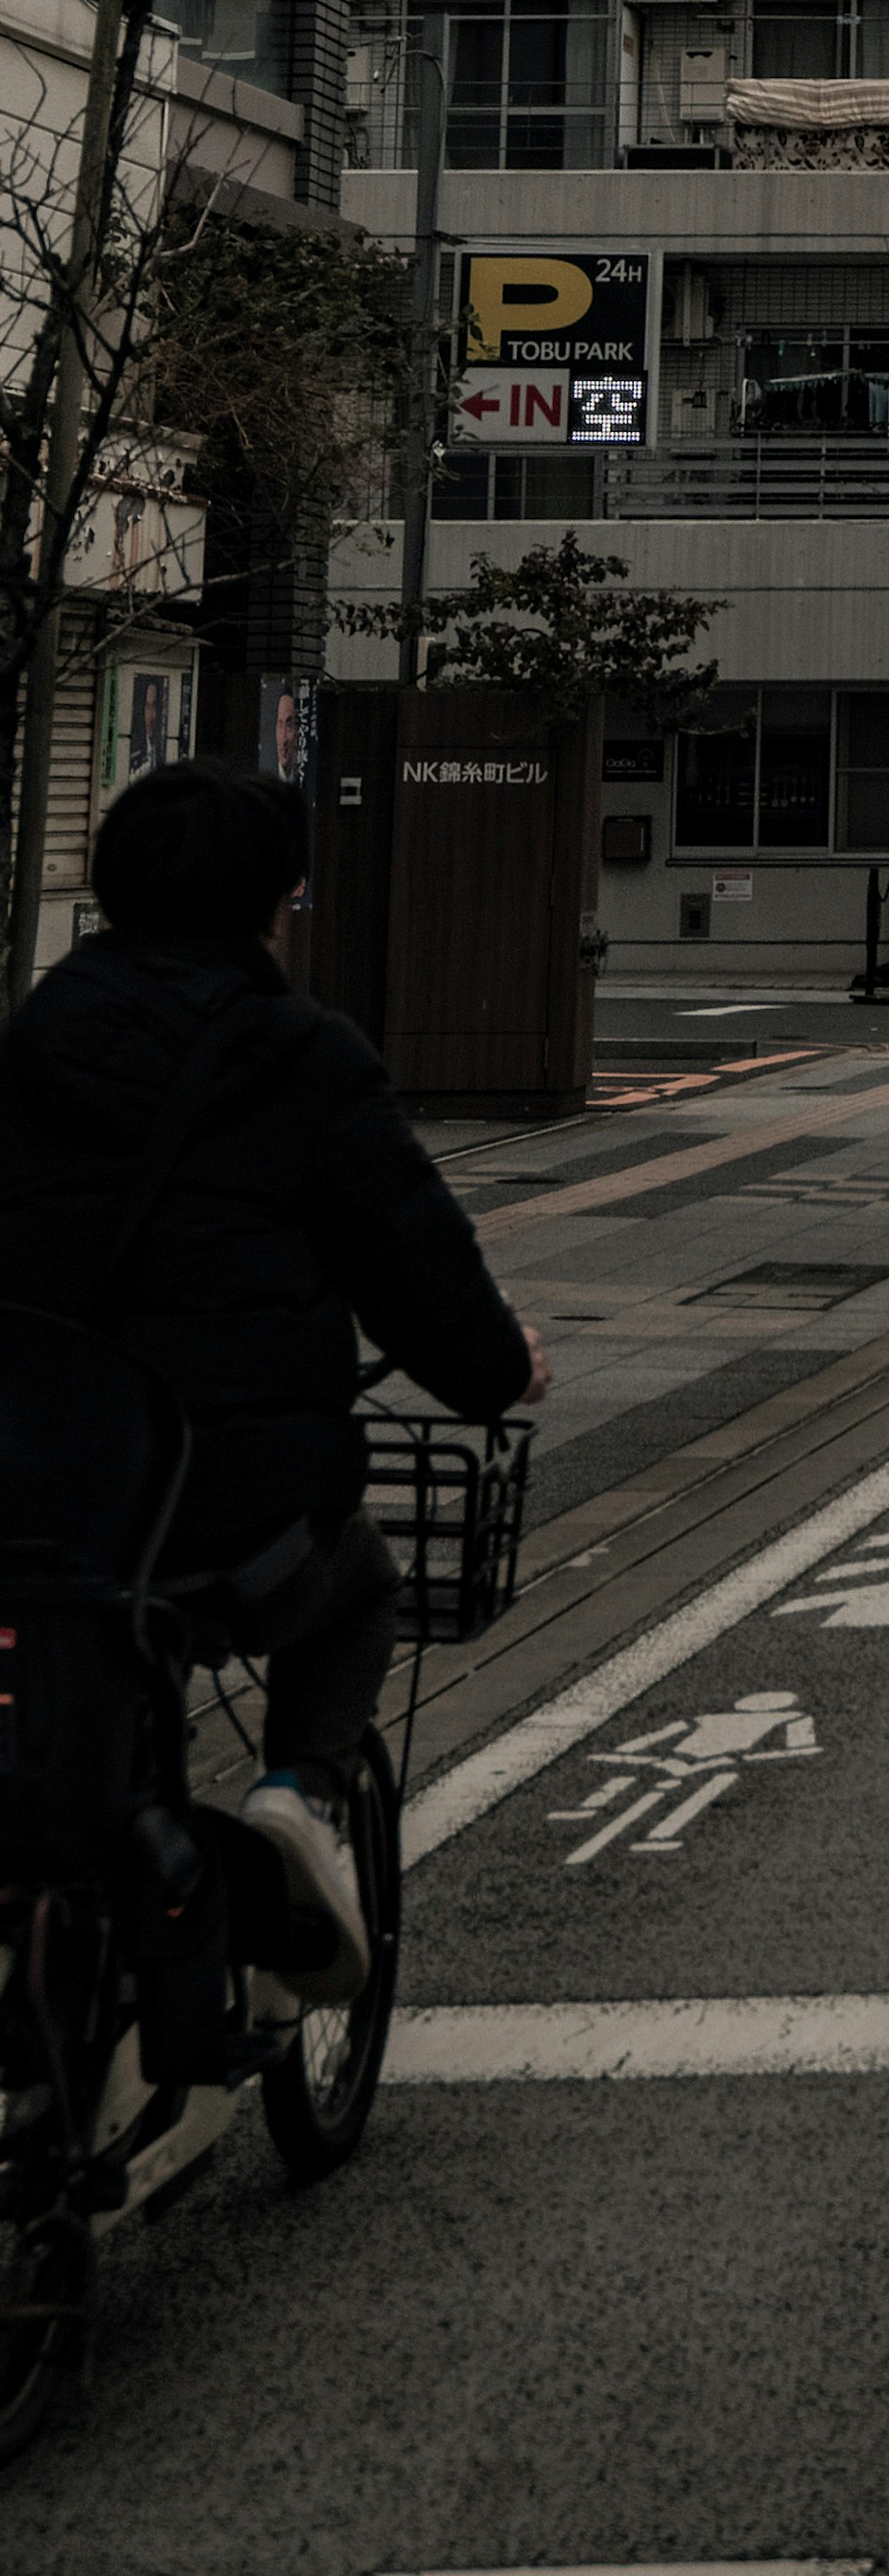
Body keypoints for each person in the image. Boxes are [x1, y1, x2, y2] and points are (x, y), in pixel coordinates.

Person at [0, 761, 546, 2009]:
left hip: (30, 1490)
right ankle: (297, 1796)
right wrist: (503, 1368)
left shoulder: (32, 1039)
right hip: (226, 1514)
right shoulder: (302, 1056)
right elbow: (416, 1267)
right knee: (356, 1585)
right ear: (275, 902)